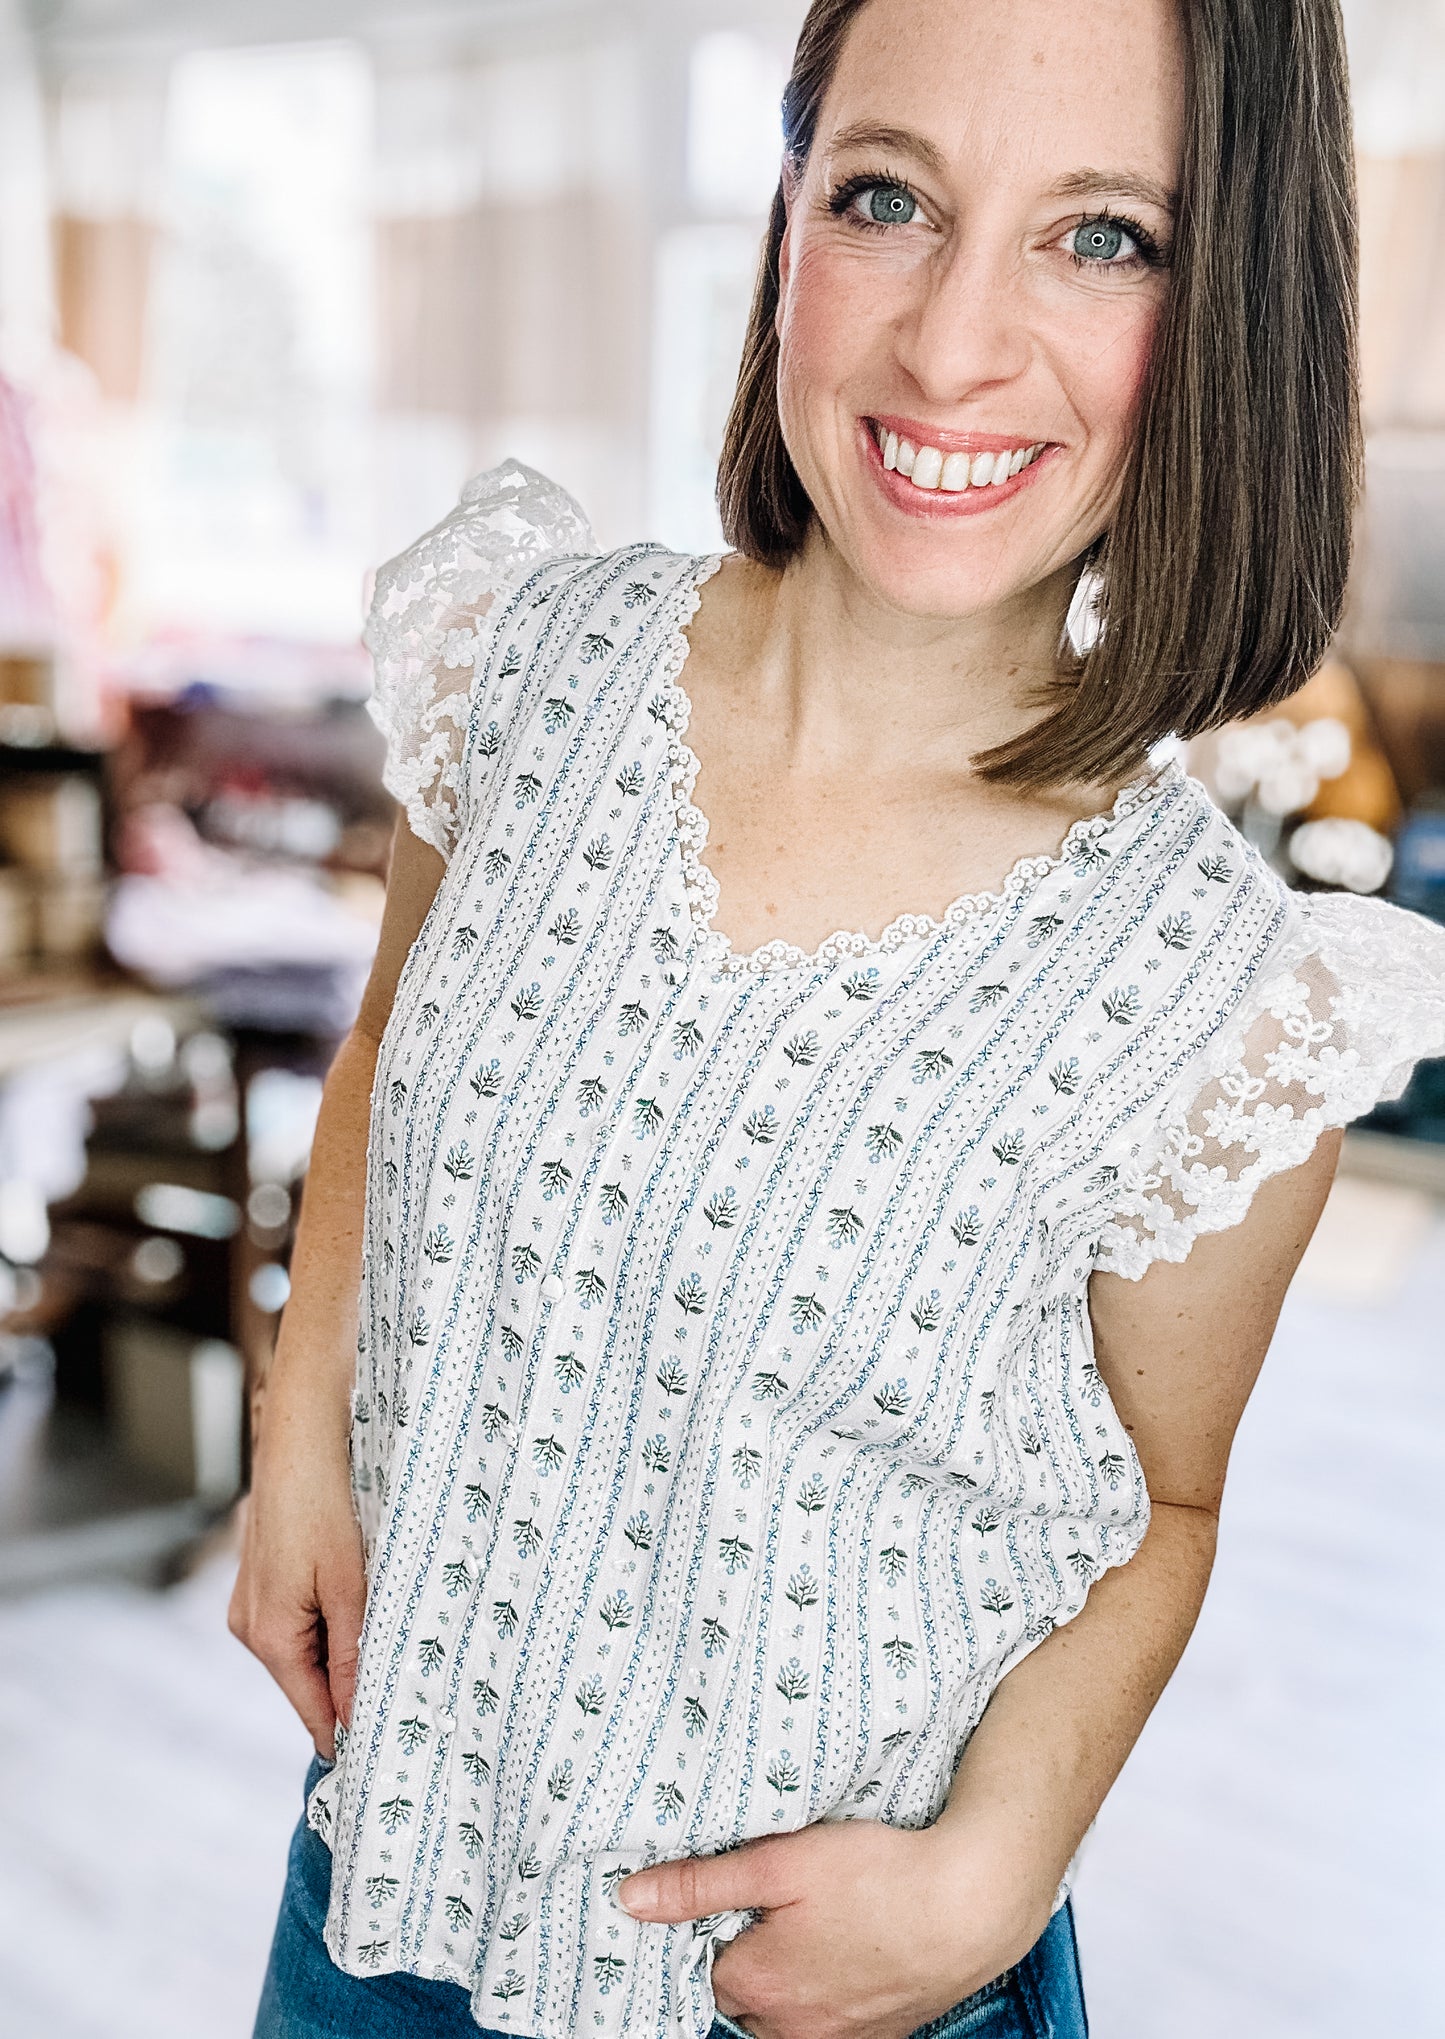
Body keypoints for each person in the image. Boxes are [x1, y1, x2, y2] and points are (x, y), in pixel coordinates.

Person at [233, 1, 1445, 2035]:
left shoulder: (1226, 999)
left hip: (837, 1992)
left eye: (1104, 237)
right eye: (889, 197)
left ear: (1235, 304)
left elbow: (1160, 1509)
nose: (953, 346)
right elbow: (384, 1062)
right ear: (788, 208)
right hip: (384, 1889)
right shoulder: (521, 663)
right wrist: (299, 1438)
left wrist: (993, 1871)